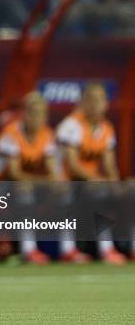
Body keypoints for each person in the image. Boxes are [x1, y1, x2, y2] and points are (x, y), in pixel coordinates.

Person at [0, 92, 67, 264]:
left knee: (64, 192)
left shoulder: (46, 134)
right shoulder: (12, 132)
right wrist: (45, 182)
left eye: (40, 114)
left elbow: (53, 172)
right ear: (24, 114)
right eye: (32, 113)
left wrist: (55, 183)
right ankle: (29, 250)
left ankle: (68, 249)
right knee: (23, 191)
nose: (36, 118)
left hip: (23, 186)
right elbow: (15, 174)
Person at [56, 83, 126, 265]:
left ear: (106, 103)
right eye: (92, 100)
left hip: (88, 182)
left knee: (127, 192)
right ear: (83, 102)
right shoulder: (72, 124)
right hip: (63, 180)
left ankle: (120, 247)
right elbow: (71, 164)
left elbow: (110, 165)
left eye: (100, 100)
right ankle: (69, 250)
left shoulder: (106, 128)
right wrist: (98, 181)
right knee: (94, 191)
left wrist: (115, 184)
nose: (96, 105)